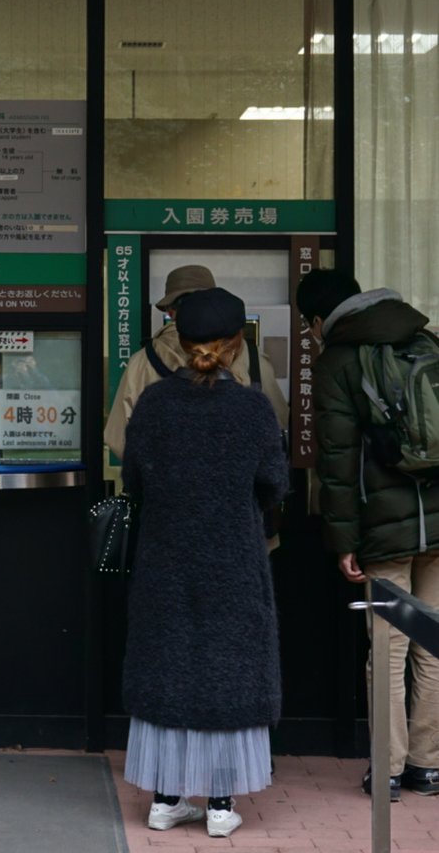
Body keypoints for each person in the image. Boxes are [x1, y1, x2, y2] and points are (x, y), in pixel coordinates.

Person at [121, 287, 288, 838]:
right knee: (226, 673)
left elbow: (134, 480)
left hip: (166, 556)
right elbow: (274, 484)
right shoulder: (251, 408)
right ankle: (220, 806)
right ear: (238, 344)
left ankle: (165, 800)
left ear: (179, 340)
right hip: (233, 559)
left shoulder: (154, 405)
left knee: (170, 669)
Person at [295, 268, 439, 800]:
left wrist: (344, 541)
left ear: (317, 319)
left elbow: (336, 463)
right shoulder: (426, 340)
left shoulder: (337, 360)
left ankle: (389, 768)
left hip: (382, 534)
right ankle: (429, 765)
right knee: (433, 646)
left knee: (388, 649)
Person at [104, 264, 289, 459]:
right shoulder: (252, 357)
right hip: (238, 486)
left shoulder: (142, 363)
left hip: (166, 487)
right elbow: (278, 424)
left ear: (170, 311)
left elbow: (118, 439)